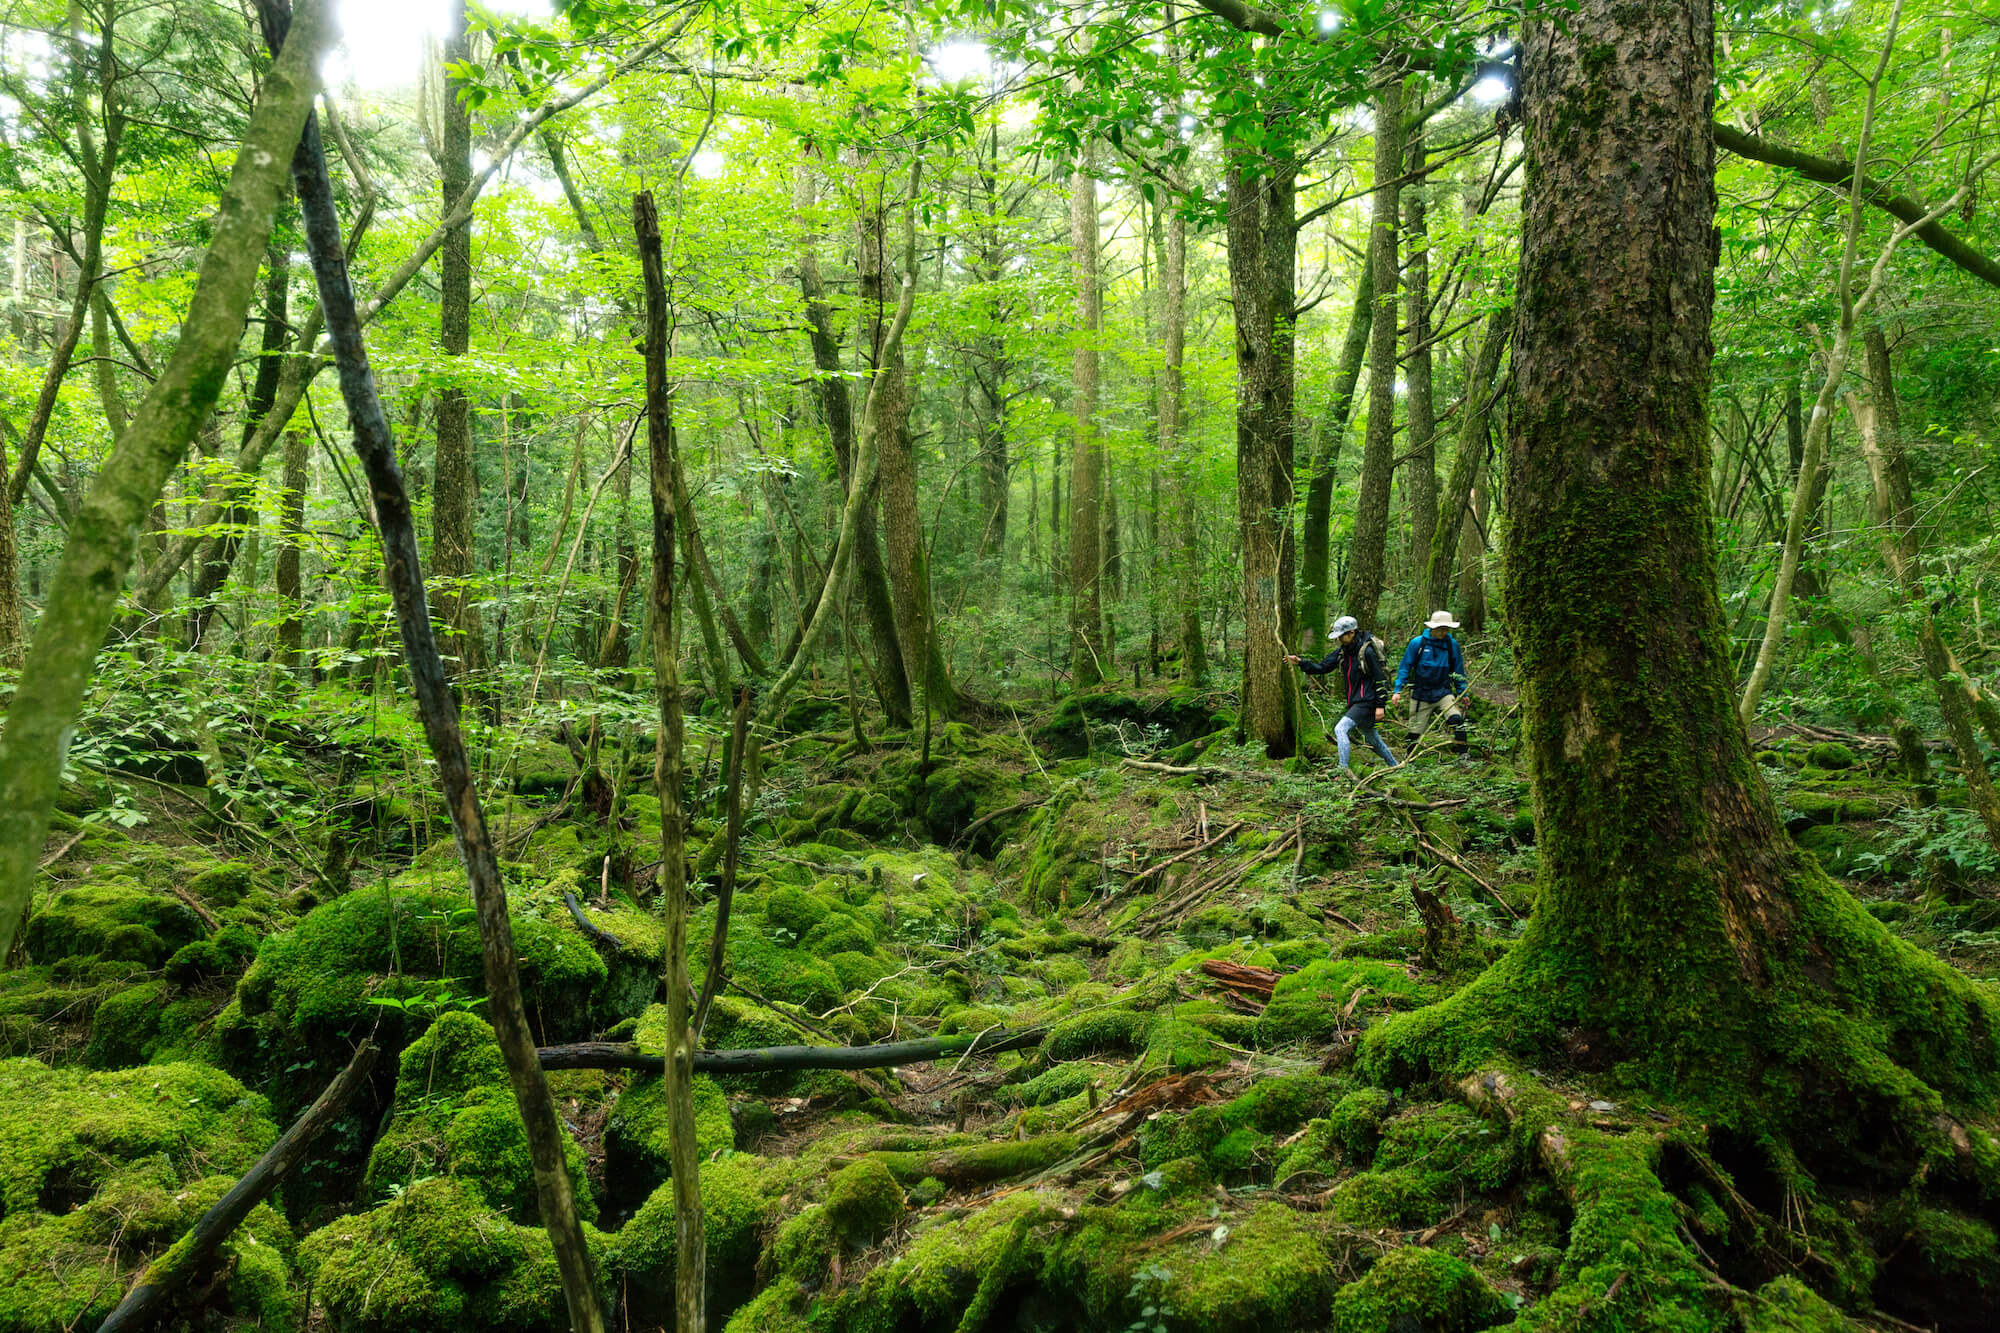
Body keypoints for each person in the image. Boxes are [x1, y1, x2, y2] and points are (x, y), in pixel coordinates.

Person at [1289, 615, 1398, 772]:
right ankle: (1396, 767)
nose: (1339, 639)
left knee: (1340, 729)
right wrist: (1300, 662)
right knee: (1371, 737)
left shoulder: (1367, 652)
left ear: (1352, 633)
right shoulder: (1343, 652)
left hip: (1366, 701)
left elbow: (1380, 679)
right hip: (1356, 701)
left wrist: (1380, 706)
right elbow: (1322, 668)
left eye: (1341, 635)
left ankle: (1343, 769)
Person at [1391, 610, 1471, 759]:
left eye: (1446, 629)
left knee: (1457, 720)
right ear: (1433, 627)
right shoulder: (1417, 643)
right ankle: (1409, 760)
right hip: (1421, 694)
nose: (1444, 632)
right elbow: (1405, 667)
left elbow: (1458, 670)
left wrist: (1463, 692)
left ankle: (1463, 756)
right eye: (1441, 628)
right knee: (1415, 731)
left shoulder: (1451, 645)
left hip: (1443, 692)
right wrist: (1397, 690)